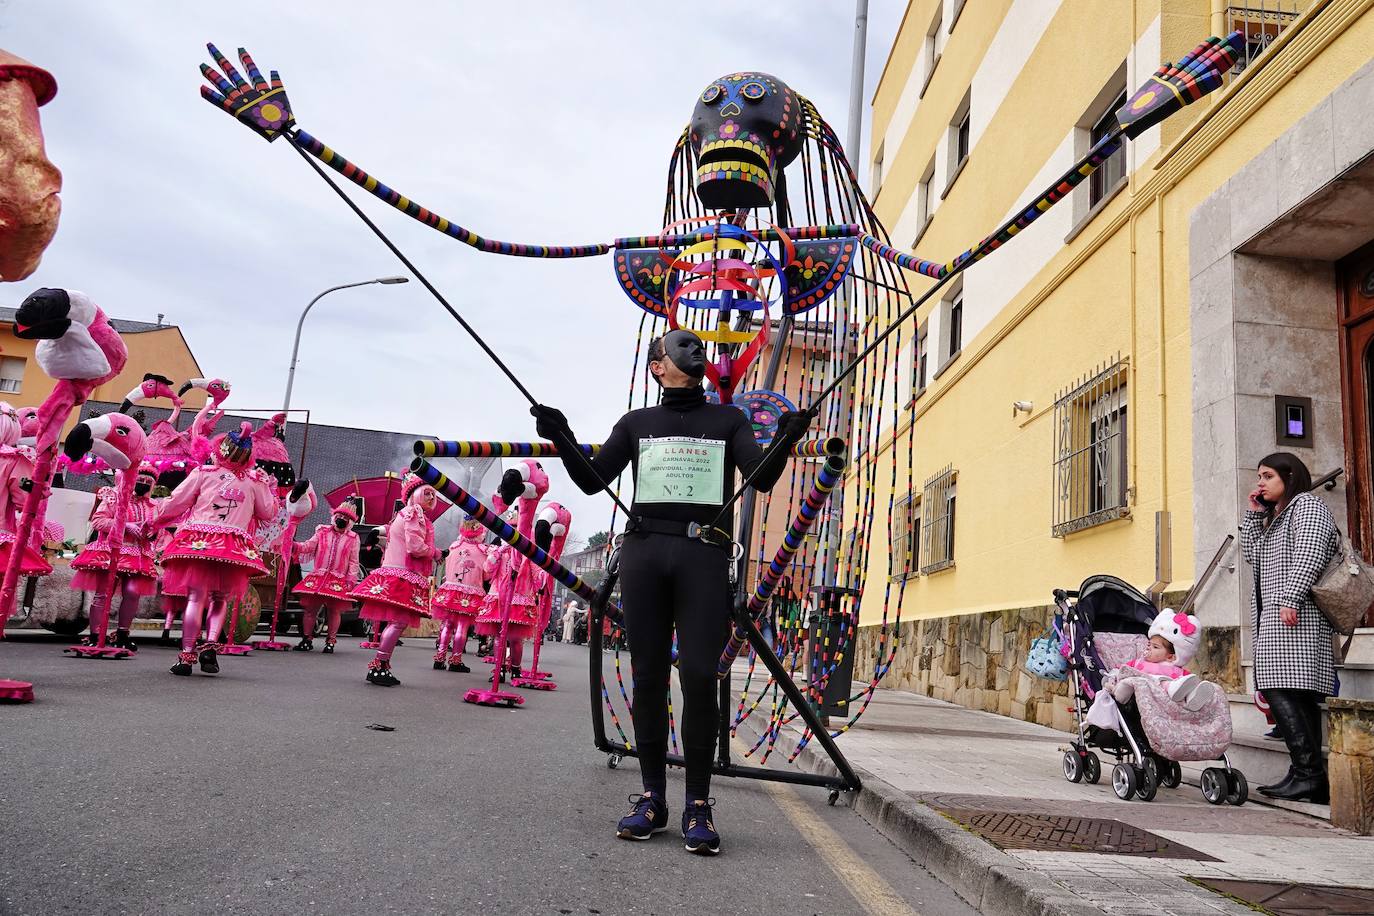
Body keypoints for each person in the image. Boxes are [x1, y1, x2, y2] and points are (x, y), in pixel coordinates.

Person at [532, 328, 809, 856]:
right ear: (657, 366)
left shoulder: (728, 420)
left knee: (701, 675)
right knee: (648, 674)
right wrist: (561, 434)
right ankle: (652, 797)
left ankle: (698, 804)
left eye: (698, 344)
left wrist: (788, 438)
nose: (695, 348)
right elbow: (593, 480)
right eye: (679, 345)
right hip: (644, 554)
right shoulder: (638, 423)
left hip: (703, 556)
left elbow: (761, 477)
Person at [1240, 452, 1339, 803]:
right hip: (1277, 616)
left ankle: (1309, 774)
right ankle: (1305, 776)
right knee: (1293, 692)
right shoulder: (1276, 517)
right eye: (1259, 476)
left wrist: (1291, 598)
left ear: (1290, 475)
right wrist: (1254, 516)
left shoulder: (1307, 506)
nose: (1260, 483)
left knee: (1278, 687)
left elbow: (1310, 554)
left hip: (1296, 615)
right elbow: (1253, 555)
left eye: (1267, 476)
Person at [149, 422, 279, 677]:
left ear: (221, 449)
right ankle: (209, 648)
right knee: (219, 598)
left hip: (200, 542)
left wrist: (154, 517)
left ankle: (186, 655)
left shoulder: (204, 472)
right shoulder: (254, 481)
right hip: (231, 547)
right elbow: (268, 513)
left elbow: (176, 502)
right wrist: (267, 487)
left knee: (196, 598)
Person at [349, 473, 441, 687]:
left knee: (395, 622)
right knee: (398, 622)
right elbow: (415, 547)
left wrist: (377, 532)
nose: (430, 498)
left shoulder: (404, 514)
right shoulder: (414, 513)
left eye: (433, 495)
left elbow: (394, 535)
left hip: (394, 572)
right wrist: (436, 553)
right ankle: (380, 665)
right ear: (413, 494)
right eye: (426, 493)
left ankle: (382, 664)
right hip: (401, 575)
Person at [70, 460, 160, 652]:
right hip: (110, 551)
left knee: (133, 593)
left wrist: (150, 531)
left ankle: (122, 634)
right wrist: (124, 526)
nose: (144, 482)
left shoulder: (152, 505)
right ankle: (95, 634)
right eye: (140, 478)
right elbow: (98, 521)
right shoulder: (114, 496)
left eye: (148, 480)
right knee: (103, 594)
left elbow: (155, 529)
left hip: (138, 554)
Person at [290, 500, 362, 654]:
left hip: (338, 579)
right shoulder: (322, 531)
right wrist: (295, 545)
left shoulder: (353, 538)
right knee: (310, 610)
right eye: (339, 515)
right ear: (334, 516)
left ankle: (330, 641)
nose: (341, 519)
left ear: (350, 522)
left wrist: (351, 580)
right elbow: (309, 546)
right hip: (318, 577)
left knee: (334, 611)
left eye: (345, 517)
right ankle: (306, 639)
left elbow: (354, 561)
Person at [431, 515, 487, 672]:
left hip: (450, 590)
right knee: (462, 626)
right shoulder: (482, 551)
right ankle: (455, 660)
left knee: (447, 624)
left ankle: (439, 658)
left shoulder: (454, 546)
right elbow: (487, 574)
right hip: (470, 593)